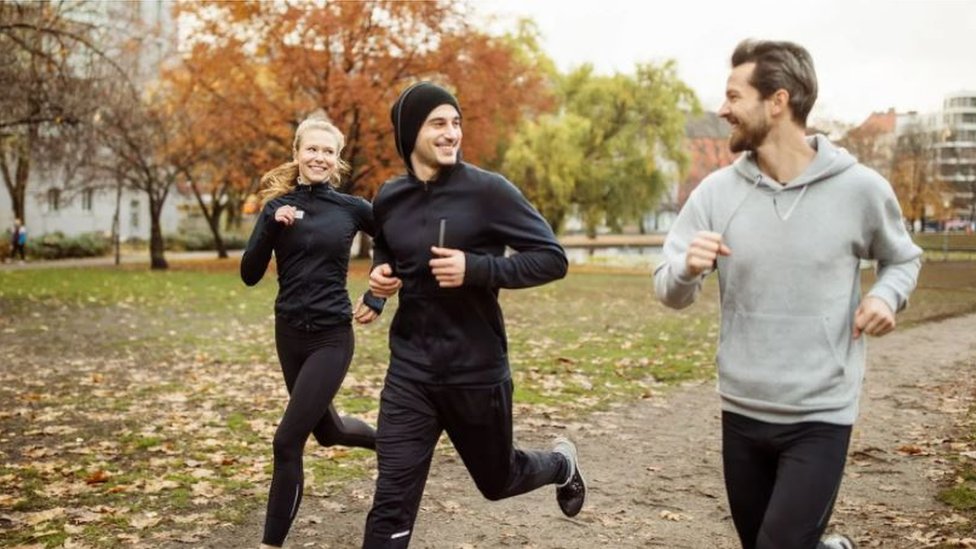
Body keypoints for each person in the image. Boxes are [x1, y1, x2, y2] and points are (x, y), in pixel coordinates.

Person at [654, 39, 922, 549]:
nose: (722, 109)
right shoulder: (716, 194)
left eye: (734, 96)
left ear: (778, 101)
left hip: (820, 413)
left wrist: (887, 296)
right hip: (742, 407)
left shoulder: (859, 189)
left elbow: (903, 258)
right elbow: (668, 290)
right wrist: (687, 269)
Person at [361, 81, 586, 548]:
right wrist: (381, 281)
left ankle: (561, 464)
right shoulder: (389, 196)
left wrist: (477, 268)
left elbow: (552, 258)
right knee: (391, 500)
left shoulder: (489, 192)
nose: (451, 134)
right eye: (438, 123)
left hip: (476, 372)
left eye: (456, 123)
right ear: (409, 133)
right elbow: (387, 246)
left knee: (497, 481)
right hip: (411, 372)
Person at [241, 117, 385, 549]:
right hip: (289, 335)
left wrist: (378, 293)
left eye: (328, 151)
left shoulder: (353, 208)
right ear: (297, 153)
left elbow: (393, 240)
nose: (319, 157)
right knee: (329, 431)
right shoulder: (276, 208)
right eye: (312, 150)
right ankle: (397, 444)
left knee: (287, 440)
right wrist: (270, 225)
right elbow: (249, 274)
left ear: (336, 159)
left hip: (330, 337)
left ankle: (270, 545)